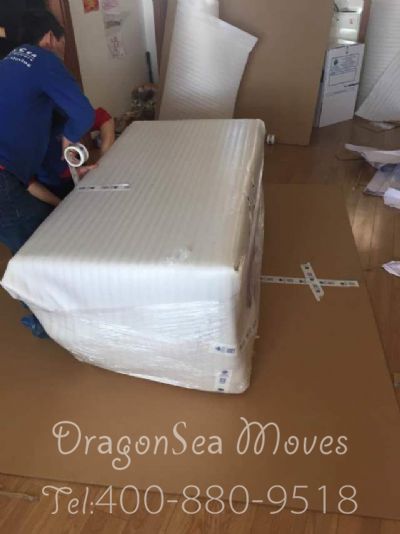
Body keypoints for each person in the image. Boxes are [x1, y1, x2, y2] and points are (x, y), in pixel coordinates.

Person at [0, 9, 95, 255]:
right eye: (64, 44)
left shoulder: (10, 62)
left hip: (11, 175)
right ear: (51, 38)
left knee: (43, 239)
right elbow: (84, 113)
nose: (63, 53)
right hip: (4, 180)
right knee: (44, 250)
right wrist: (69, 139)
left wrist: (74, 164)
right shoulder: (43, 59)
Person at [34, 107, 115, 200]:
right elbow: (55, 175)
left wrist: (104, 155)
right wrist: (77, 172)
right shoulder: (39, 143)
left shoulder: (65, 115)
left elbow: (104, 118)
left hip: (78, 167)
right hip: (60, 184)